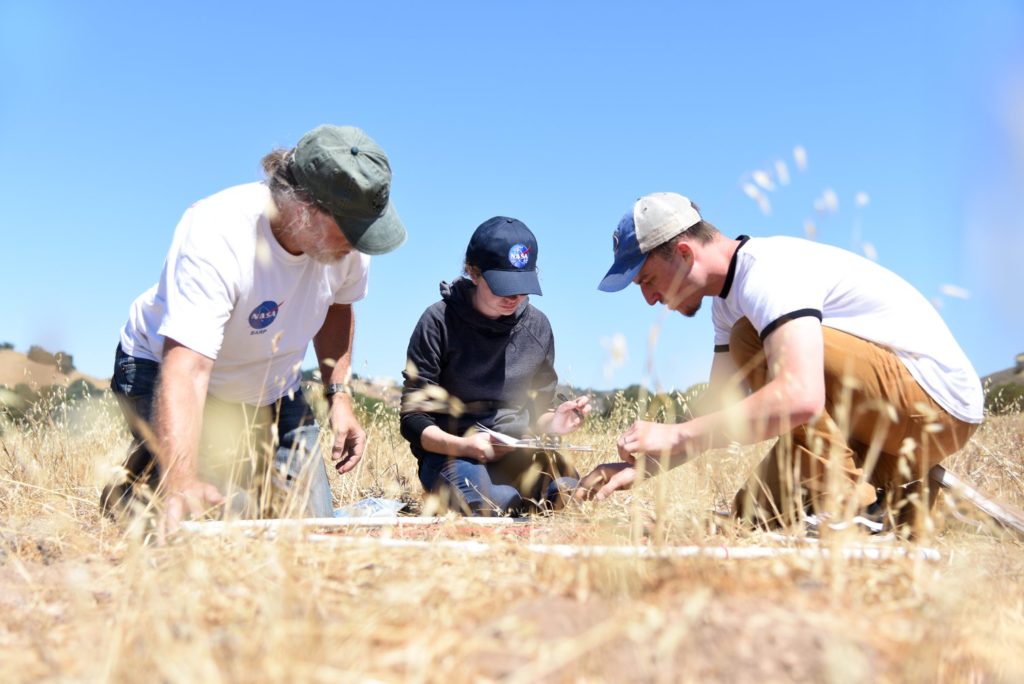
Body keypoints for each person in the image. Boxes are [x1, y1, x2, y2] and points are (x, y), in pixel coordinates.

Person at [577, 192, 983, 531]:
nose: (649, 299)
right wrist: (649, 465)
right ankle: (906, 499)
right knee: (745, 521)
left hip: (934, 407)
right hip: (883, 422)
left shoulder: (767, 271)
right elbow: (721, 410)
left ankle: (850, 511)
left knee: (749, 338)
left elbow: (801, 397)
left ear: (683, 253)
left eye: (647, 280)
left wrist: (678, 435)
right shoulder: (727, 305)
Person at [101, 124, 407, 535]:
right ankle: (140, 488)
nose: (361, 244)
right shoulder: (217, 231)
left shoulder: (348, 240)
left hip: (272, 382)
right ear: (303, 208)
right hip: (166, 370)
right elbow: (187, 369)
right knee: (223, 515)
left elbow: (338, 305)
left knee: (310, 526)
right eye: (353, 230)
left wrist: (340, 395)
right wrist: (182, 481)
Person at [400, 216, 590, 516]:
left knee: (568, 495)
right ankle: (504, 498)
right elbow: (413, 420)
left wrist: (555, 420)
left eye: (523, 287)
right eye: (504, 287)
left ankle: (519, 496)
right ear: (473, 272)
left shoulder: (537, 327)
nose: (514, 298)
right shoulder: (438, 322)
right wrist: (465, 447)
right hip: (454, 454)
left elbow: (540, 408)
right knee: (488, 506)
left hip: (520, 453)